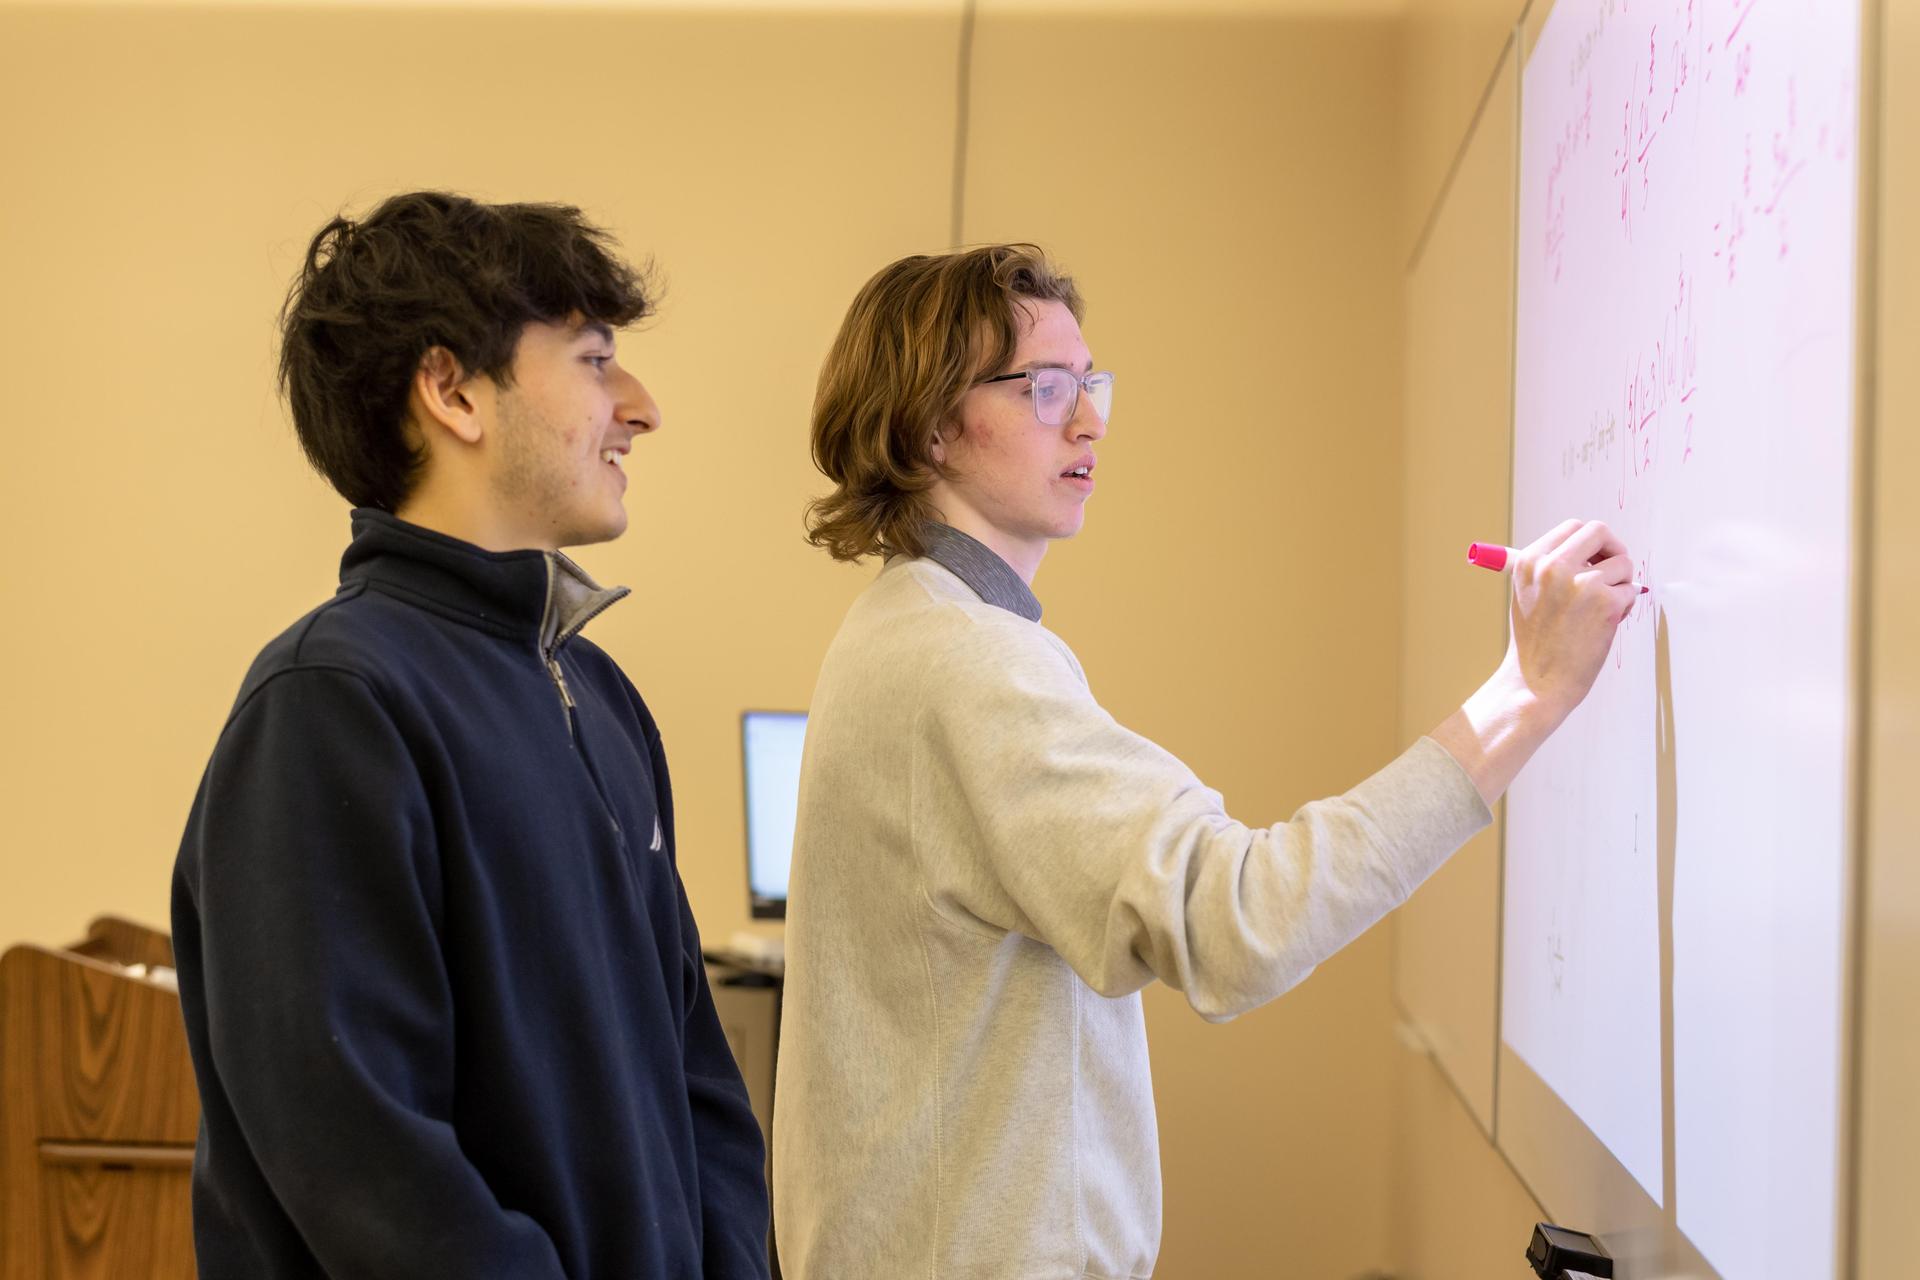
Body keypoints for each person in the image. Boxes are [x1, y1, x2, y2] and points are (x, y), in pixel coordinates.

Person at [772, 244, 1638, 1278]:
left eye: (1090, 383)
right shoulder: (965, 662)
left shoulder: (912, 626)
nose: (1088, 418)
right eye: (1045, 387)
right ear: (931, 423)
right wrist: (1524, 696)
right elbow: (1240, 918)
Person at [171, 191, 769, 1279]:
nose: (640, 407)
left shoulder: (598, 692)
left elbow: (700, 1083)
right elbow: (360, 1154)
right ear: (451, 390)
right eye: (594, 360)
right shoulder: (330, 701)